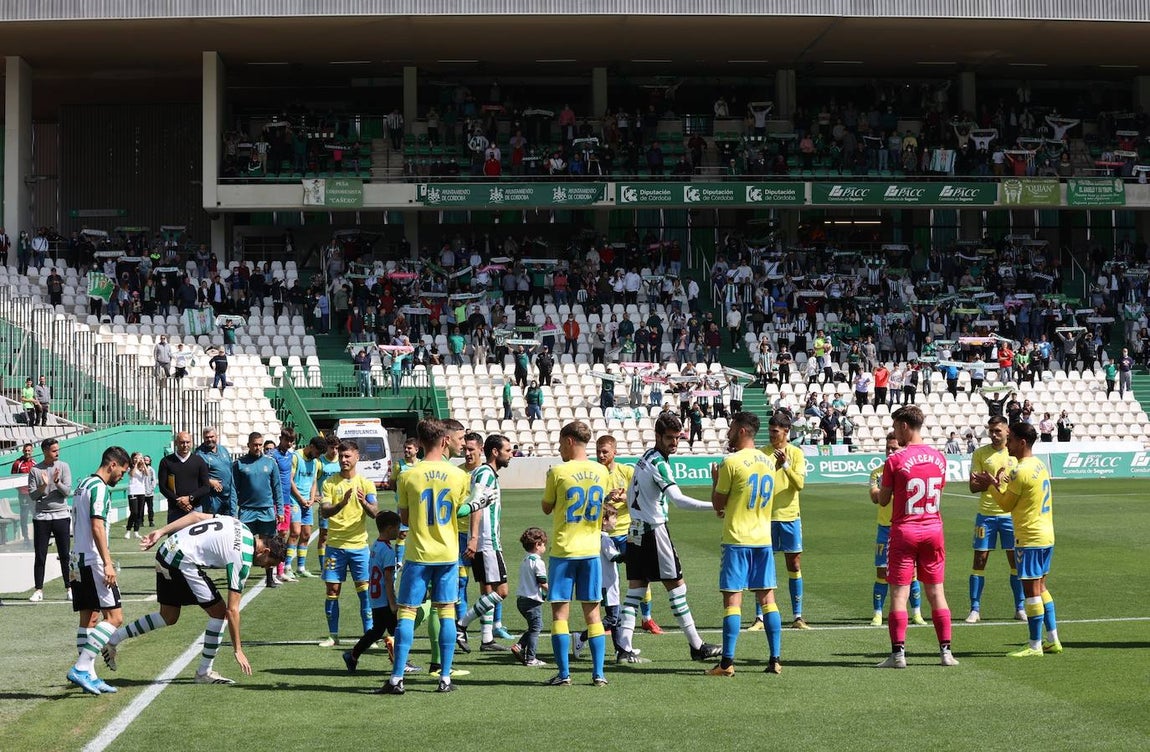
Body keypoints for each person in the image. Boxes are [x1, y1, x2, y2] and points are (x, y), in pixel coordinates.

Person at [100, 511, 287, 686]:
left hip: (166, 550)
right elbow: (233, 610)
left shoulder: (239, 524)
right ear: (265, 552)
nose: (265, 568)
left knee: (168, 616)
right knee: (220, 613)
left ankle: (113, 640)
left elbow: (196, 516)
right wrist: (238, 649)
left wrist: (161, 532)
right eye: (268, 564)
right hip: (180, 560)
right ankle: (204, 672)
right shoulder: (243, 558)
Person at [379, 419, 484, 695]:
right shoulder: (459, 476)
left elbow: (404, 518)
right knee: (447, 612)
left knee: (407, 613)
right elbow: (460, 513)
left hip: (418, 553)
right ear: (444, 441)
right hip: (448, 553)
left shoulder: (407, 475)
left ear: (421, 443)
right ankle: (445, 678)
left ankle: (397, 678)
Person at [614, 414, 721, 664]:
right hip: (654, 531)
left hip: (635, 531)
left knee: (636, 590)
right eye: (670, 438)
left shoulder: (645, 458)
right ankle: (697, 645)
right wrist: (714, 506)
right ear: (658, 437)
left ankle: (624, 648)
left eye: (677, 438)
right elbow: (679, 500)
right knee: (677, 587)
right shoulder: (659, 463)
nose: (674, 443)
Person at [876, 405, 958, 669]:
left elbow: (884, 500)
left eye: (896, 427)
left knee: (899, 594)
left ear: (904, 426)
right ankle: (946, 653)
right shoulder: (939, 458)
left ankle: (898, 655)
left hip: (905, 530)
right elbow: (939, 495)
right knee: (936, 592)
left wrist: (875, 490)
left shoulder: (895, 460)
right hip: (933, 528)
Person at [973, 421, 1061, 657]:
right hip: (1046, 534)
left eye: (1011, 440)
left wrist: (990, 485)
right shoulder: (1039, 465)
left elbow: (1005, 505)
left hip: (1030, 538)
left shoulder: (1019, 471)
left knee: (1031, 591)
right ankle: (1053, 639)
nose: (1007, 444)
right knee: (1041, 587)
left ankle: (1034, 645)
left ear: (1022, 442)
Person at [706, 412, 783, 676]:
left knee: (732, 602)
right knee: (768, 600)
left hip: (737, 539)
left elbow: (719, 505)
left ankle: (726, 663)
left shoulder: (731, 462)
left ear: (741, 430)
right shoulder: (769, 461)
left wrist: (715, 481)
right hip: (763, 539)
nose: (728, 431)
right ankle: (775, 659)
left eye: (731, 427)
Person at [539, 421, 612, 687]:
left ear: (569, 441)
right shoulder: (601, 472)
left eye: (560, 443)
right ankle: (598, 674)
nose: (559, 448)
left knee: (560, 615)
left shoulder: (558, 472)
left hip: (563, 550)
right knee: (593, 613)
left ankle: (564, 674)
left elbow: (547, 508)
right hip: (590, 552)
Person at [64, 446, 131, 695]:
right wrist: (108, 562)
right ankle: (82, 668)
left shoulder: (83, 484)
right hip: (93, 561)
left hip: (76, 559)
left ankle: (89, 677)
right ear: (112, 464)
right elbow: (97, 526)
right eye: (122, 471)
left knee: (89, 618)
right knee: (114, 618)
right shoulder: (99, 487)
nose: (121, 476)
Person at [752, 413, 810, 630]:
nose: (772, 435)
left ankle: (797, 616)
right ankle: (759, 617)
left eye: (775, 431)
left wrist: (785, 465)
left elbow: (799, 485)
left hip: (789, 516)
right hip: (765, 518)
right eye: (770, 431)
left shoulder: (796, 453)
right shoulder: (762, 453)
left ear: (786, 432)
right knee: (762, 565)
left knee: (793, 564)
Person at [317, 439, 378, 647]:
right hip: (335, 546)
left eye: (347, 456)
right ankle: (333, 635)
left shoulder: (366, 483)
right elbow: (324, 510)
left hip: (359, 546)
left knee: (365, 592)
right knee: (332, 590)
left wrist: (364, 503)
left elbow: (375, 513)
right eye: (341, 456)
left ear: (357, 457)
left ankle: (369, 635)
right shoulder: (329, 483)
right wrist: (341, 504)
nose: (343, 460)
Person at [457, 434, 514, 652]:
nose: (511, 455)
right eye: (507, 451)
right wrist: (473, 538)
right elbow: (476, 504)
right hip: (487, 542)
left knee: (487, 590)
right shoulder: (485, 474)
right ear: (495, 452)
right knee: (502, 592)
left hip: (486, 541)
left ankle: (487, 638)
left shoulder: (486, 473)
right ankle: (461, 624)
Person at [597, 435, 659, 634]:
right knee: (606, 580)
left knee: (640, 576)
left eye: (605, 451)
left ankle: (647, 618)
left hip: (627, 531)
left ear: (614, 452)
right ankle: (610, 618)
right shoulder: (594, 473)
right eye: (598, 451)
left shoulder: (627, 471)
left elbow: (642, 494)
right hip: (603, 534)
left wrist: (624, 496)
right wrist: (606, 498)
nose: (600, 455)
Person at [966, 416, 1026, 624]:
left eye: (997, 431)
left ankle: (1020, 607)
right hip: (986, 515)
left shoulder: (1015, 454)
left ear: (1007, 431)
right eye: (991, 431)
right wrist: (991, 482)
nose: (993, 434)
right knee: (980, 560)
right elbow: (973, 487)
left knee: (1015, 562)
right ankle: (975, 608)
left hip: (1010, 515)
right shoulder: (981, 453)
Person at [870, 432, 926, 627]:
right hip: (885, 529)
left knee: (912, 573)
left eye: (894, 448)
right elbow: (875, 496)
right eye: (888, 448)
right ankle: (877, 614)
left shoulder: (907, 471)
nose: (890, 451)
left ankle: (917, 613)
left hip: (905, 527)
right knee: (882, 571)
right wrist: (888, 489)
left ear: (901, 448)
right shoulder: (878, 472)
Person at [343, 510, 402, 672]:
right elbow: (388, 579)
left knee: (376, 631)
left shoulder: (376, 545)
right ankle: (401, 662)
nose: (399, 531)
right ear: (389, 528)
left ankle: (352, 655)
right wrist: (393, 603)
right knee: (397, 631)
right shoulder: (389, 551)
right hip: (384, 599)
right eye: (397, 528)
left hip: (375, 597)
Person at [232, 432, 285, 589]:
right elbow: (233, 489)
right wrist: (233, 512)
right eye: (254, 444)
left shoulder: (270, 463)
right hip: (246, 511)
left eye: (260, 444)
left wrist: (280, 510)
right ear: (248, 445)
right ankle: (241, 577)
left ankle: (269, 579)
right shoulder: (239, 464)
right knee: (243, 546)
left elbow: (277, 488)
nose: (257, 447)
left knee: (270, 545)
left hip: (266, 511)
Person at [27, 438, 74, 602]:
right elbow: (33, 495)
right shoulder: (35, 470)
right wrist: (42, 486)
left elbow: (67, 491)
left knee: (65, 555)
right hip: (41, 517)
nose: (57, 453)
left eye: (57, 450)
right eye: (54, 450)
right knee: (40, 555)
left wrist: (57, 482)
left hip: (61, 515)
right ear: (45, 451)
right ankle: (38, 590)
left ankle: (69, 588)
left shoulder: (64, 466)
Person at [286, 436, 326, 579]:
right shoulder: (296, 457)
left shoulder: (315, 462)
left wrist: (311, 498)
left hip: (307, 502)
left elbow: (314, 481)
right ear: (311, 446)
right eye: (318, 452)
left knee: (306, 534)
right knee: (295, 532)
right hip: (295, 500)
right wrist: (301, 498)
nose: (318, 455)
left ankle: (301, 567)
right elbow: (289, 480)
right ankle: (287, 566)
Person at [512, 527, 549, 667]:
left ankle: (519, 646)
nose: (544, 547)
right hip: (532, 600)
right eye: (543, 544)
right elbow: (542, 581)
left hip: (521, 599)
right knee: (536, 628)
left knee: (535, 625)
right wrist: (552, 592)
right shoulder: (538, 562)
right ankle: (531, 658)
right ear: (537, 545)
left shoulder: (525, 560)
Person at [157, 432, 212, 524]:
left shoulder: (199, 461)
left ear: (191, 443)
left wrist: (190, 498)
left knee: (196, 538)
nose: (185, 445)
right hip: (174, 510)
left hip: (195, 509)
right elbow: (163, 487)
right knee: (175, 537)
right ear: (176, 443)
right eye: (182, 442)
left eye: (187, 442)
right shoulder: (166, 461)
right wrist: (179, 501)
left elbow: (206, 487)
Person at [270, 429, 297, 582]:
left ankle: (280, 571)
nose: (289, 444)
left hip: (287, 501)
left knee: (283, 534)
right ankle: (272, 571)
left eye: (291, 441)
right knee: (274, 535)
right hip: (275, 501)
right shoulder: (273, 456)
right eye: (287, 440)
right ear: (281, 438)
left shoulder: (291, 456)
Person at [196, 426, 237, 517]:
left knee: (229, 523)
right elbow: (195, 475)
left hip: (228, 495)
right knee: (213, 524)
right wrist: (210, 481)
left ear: (216, 437)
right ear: (203, 438)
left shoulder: (223, 450)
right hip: (212, 498)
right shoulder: (199, 454)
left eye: (212, 437)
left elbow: (231, 469)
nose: (210, 439)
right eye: (207, 437)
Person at [10, 443, 35, 543]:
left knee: (36, 515)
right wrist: (21, 490)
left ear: (32, 451)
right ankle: (26, 539)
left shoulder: (34, 463)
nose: (27, 452)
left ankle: (37, 537)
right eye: (25, 450)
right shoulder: (17, 463)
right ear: (23, 451)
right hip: (23, 495)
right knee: (24, 517)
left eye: (29, 450)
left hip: (33, 494)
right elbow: (12, 479)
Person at [125, 453, 150, 538]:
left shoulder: (143, 468)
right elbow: (132, 474)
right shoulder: (130, 467)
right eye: (135, 458)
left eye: (139, 458)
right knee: (134, 512)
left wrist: (144, 464)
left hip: (141, 492)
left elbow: (147, 474)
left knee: (139, 513)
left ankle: (136, 531)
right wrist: (135, 464)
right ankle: (128, 530)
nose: (137, 459)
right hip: (133, 492)